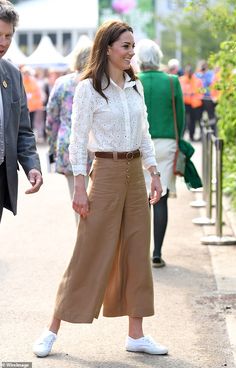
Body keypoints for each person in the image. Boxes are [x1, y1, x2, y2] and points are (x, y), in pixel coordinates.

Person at [33, 20, 168, 358]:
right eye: (125, 46)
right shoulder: (88, 89)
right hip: (104, 173)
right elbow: (77, 142)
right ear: (107, 48)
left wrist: (154, 172)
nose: (131, 51)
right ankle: (52, 329)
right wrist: (80, 185)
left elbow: (145, 133)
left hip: (135, 173)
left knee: (138, 252)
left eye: (133, 46)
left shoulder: (135, 86)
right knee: (89, 250)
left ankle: (136, 334)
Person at [136, 39, 185, 268]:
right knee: (161, 196)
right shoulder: (172, 81)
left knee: (142, 198)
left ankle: (140, 252)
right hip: (166, 142)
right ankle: (157, 252)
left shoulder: (134, 81)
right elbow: (181, 117)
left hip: (139, 143)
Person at [0, 0, 43, 223]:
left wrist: (32, 165)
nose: (3, 42)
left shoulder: (13, 74)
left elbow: (23, 130)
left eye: (8, 36)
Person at [46, 41, 93, 215]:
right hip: (95, 146)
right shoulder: (99, 82)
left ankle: (83, 239)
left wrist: (52, 147)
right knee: (97, 201)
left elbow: (51, 118)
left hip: (68, 145)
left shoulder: (62, 83)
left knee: (78, 202)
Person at [179, 65, 203, 141]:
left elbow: (200, 92)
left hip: (194, 105)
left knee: (192, 121)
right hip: (184, 103)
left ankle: (191, 136)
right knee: (183, 121)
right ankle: (181, 137)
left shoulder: (197, 81)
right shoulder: (181, 80)